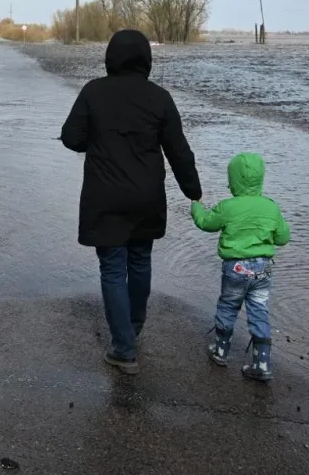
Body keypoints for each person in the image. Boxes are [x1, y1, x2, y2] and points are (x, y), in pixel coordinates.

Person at [60, 29, 202, 375]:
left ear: (111, 58)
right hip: (146, 196)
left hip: (105, 195)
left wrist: (98, 141)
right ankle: (133, 329)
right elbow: (178, 150)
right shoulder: (159, 97)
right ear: (146, 60)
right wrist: (193, 190)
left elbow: (70, 137)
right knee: (139, 260)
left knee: (112, 267)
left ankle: (124, 348)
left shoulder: (94, 91)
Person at [190, 152, 291, 382]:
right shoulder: (270, 207)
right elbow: (283, 237)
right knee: (259, 311)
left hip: (235, 268)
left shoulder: (228, 206)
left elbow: (207, 223)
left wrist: (196, 207)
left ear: (233, 180)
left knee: (228, 306)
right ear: (260, 179)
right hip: (263, 269)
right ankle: (262, 362)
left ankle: (220, 350)